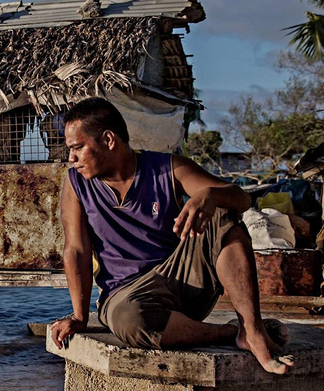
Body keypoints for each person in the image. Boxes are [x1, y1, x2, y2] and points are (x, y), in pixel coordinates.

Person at [48, 97, 292, 374]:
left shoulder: (168, 168)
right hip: (125, 296)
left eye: (78, 148)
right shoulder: (76, 183)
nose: (71, 158)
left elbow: (241, 199)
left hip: (183, 284)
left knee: (223, 214)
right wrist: (79, 317)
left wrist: (211, 196)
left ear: (108, 140)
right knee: (131, 320)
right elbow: (76, 250)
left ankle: (252, 328)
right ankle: (230, 333)